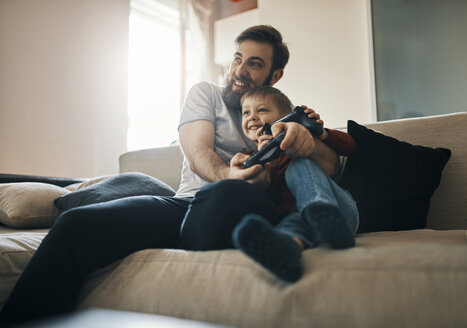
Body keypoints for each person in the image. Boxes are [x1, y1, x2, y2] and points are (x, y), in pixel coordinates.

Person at [0, 25, 337, 324]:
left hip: (249, 206)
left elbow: (329, 167)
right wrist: (227, 174)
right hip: (186, 203)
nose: (240, 70)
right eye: (237, 58)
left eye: (254, 63)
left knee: (228, 198)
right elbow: (196, 153)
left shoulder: (282, 112)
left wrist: (310, 141)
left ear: (275, 76)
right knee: (76, 224)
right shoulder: (206, 94)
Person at [230, 86, 359, 283]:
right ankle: (288, 250)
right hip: (302, 220)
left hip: (341, 210)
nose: (252, 117)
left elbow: (350, 146)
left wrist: (320, 132)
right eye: (246, 112)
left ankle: (319, 206)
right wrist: (267, 164)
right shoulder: (250, 158)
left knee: (298, 166)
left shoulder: (304, 138)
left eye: (261, 110)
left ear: (286, 117)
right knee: (294, 224)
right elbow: (266, 202)